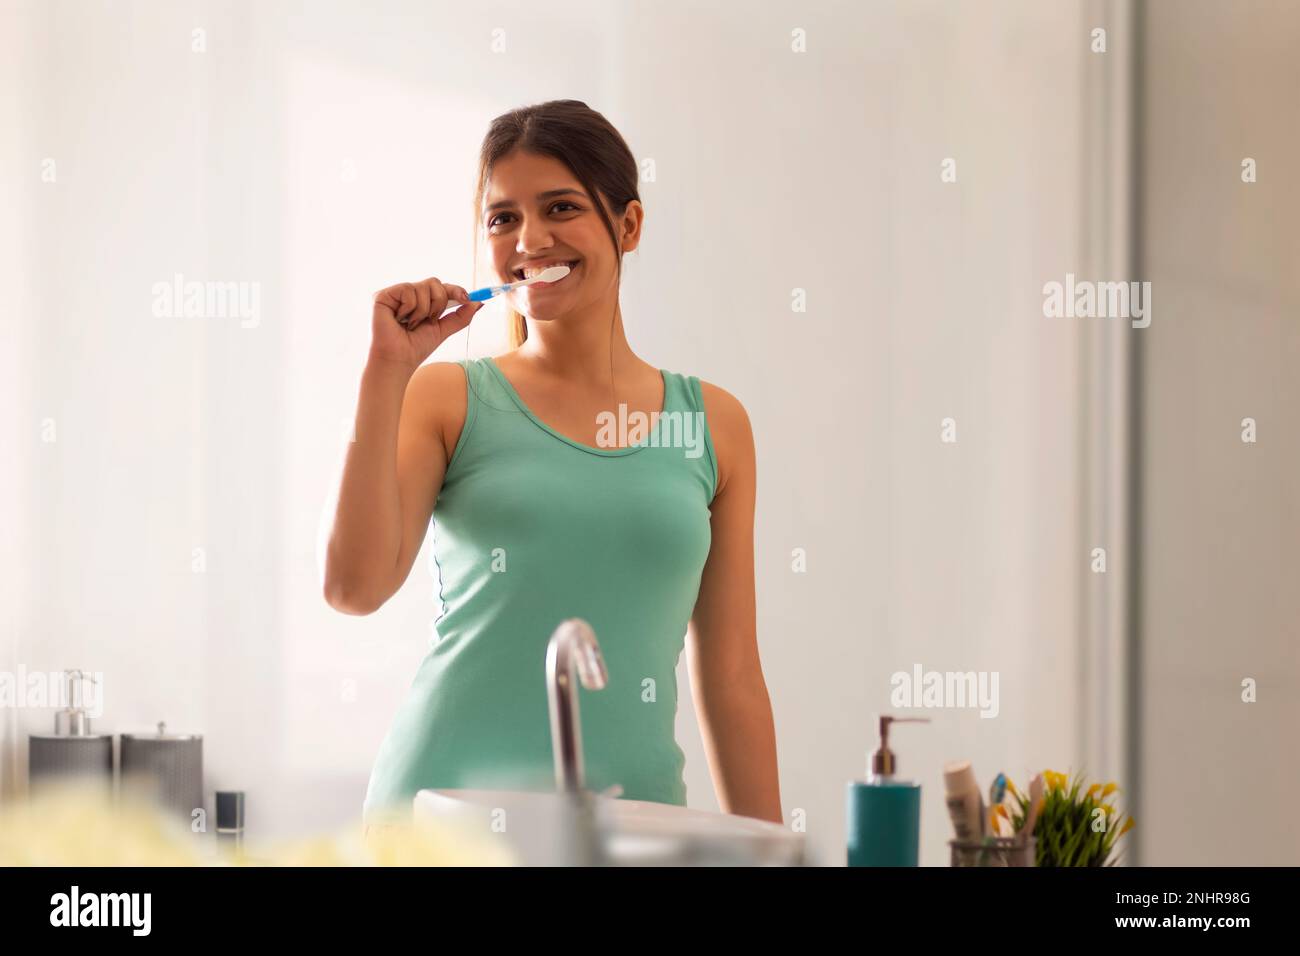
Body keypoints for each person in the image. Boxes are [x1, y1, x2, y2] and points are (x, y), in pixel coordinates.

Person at [323, 100, 781, 834]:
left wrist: (772, 853)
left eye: (559, 207)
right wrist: (385, 373)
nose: (530, 240)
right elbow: (353, 586)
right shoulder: (447, 397)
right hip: (444, 822)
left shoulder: (712, 424)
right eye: (503, 218)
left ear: (628, 226)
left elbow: (731, 680)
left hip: (635, 830)